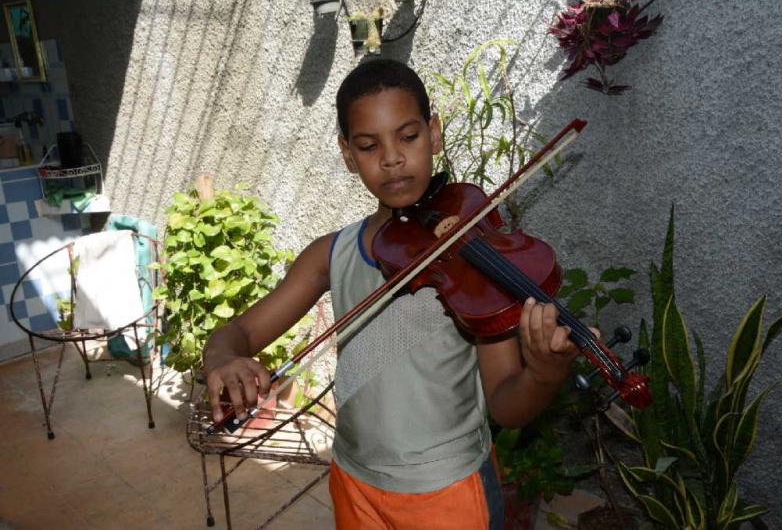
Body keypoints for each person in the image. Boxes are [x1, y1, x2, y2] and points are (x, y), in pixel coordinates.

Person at [203, 58, 586, 530]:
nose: (392, 158)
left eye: (408, 137)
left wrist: (544, 375)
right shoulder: (332, 254)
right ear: (348, 154)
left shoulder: (471, 263)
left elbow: (507, 406)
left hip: (448, 492)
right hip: (353, 480)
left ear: (434, 133)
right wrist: (224, 358)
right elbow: (237, 331)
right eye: (369, 145)